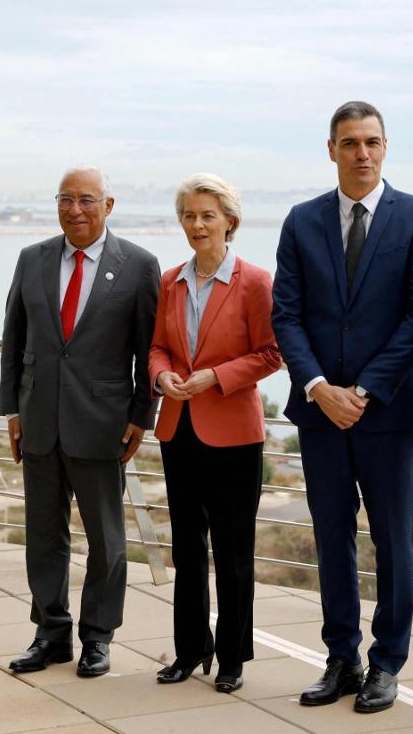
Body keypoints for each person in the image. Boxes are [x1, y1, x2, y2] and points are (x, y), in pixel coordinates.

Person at [271, 101, 413, 714]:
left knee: (394, 541)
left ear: (386, 146)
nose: (362, 153)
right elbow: (285, 315)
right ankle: (340, 657)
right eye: (349, 143)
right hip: (320, 412)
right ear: (331, 150)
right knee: (331, 537)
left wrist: (364, 391)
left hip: (389, 412)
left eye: (371, 142)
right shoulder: (301, 220)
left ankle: (386, 662)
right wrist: (320, 387)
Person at [0, 165, 160, 678]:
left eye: (87, 199)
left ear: (108, 206)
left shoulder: (138, 265)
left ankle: (97, 636)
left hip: (103, 422)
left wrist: (141, 416)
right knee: (43, 537)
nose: (75, 209)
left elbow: (147, 350)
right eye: (66, 199)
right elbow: (14, 339)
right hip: (40, 420)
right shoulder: (33, 259)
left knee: (107, 540)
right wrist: (13, 409)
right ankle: (50, 634)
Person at [149, 173, 282, 694]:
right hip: (178, 428)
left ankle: (231, 656)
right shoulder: (169, 281)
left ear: (231, 221)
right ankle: (190, 648)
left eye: (208, 215)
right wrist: (162, 376)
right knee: (186, 548)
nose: (198, 224)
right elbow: (158, 346)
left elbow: (272, 352)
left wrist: (217, 377)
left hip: (234, 434)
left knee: (232, 550)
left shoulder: (255, 282)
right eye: (189, 215)